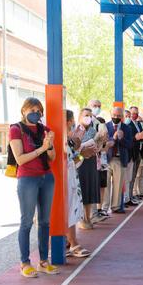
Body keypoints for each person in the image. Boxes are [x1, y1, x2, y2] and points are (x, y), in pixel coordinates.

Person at [8, 97, 59, 278]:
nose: (35, 113)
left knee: (45, 221)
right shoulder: (15, 129)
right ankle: (25, 262)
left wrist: (50, 144)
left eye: (38, 110)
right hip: (28, 178)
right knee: (27, 221)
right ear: (23, 110)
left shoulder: (44, 130)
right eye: (32, 109)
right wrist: (41, 149)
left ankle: (44, 261)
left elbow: (52, 157)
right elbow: (20, 159)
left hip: (46, 178)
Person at [64, 110, 90, 259]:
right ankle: (72, 243)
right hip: (64, 182)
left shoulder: (68, 140)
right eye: (72, 120)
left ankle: (71, 242)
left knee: (72, 210)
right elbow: (67, 163)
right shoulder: (61, 139)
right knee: (68, 210)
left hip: (72, 180)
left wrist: (81, 152)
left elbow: (74, 161)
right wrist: (81, 154)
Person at [74, 108, 101, 229]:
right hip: (80, 163)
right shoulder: (74, 130)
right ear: (80, 116)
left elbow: (99, 146)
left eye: (90, 116)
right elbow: (74, 148)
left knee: (90, 189)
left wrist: (99, 146)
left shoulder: (93, 130)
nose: (88, 118)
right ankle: (81, 219)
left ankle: (88, 217)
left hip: (91, 162)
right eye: (86, 115)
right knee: (82, 190)